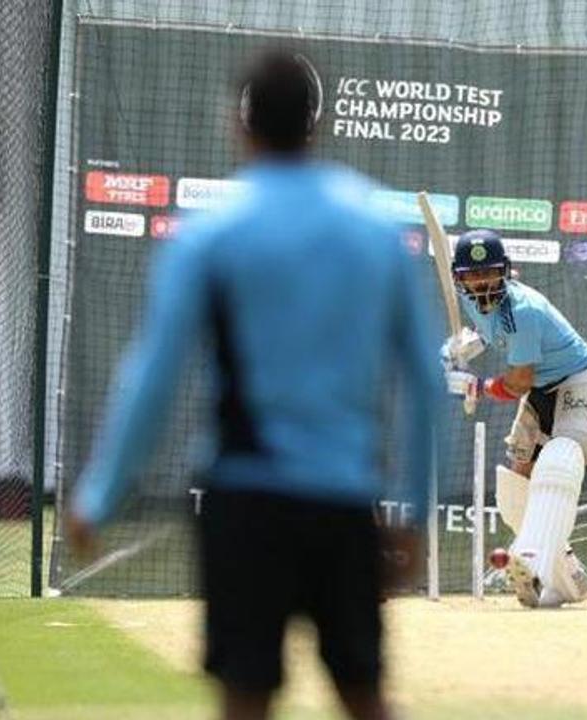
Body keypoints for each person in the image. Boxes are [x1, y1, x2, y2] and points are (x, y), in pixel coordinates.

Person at [64, 51, 441, 720]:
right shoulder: (376, 231)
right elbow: (423, 380)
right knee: (364, 695)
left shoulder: (212, 236)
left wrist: (99, 492)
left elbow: (152, 373)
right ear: (315, 124)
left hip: (246, 500)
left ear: (240, 125)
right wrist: (413, 513)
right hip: (344, 502)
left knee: (245, 697)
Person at [442, 229, 587, 608]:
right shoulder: (472, 303)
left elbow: (519, 381)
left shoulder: (525, 309)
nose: (482, 284)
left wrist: (477, 387)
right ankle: (566, 576)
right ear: (460, 278)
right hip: (543, 391)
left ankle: (531, 560)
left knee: (559, 457)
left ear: (505, 272)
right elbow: (489, 332)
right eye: (472, 276)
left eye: (490, 275)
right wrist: (461, 348)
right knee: (515, 487)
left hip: (581, 379)